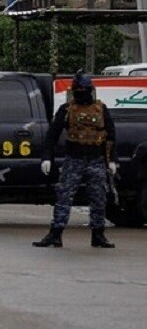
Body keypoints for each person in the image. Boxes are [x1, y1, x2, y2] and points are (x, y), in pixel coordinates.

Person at [33, 72, 117, 248]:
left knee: (99, 198)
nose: (82, 93)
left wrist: (111, 160)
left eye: (84, 90)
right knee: (64, 197)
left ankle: (98, 235)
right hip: (74, 160)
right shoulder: (66, 110)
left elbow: (110, 135)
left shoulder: (101, 109)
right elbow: (52, 135)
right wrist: (47, 157)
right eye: (79, 90)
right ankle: (55, 234)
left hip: (96, 160)